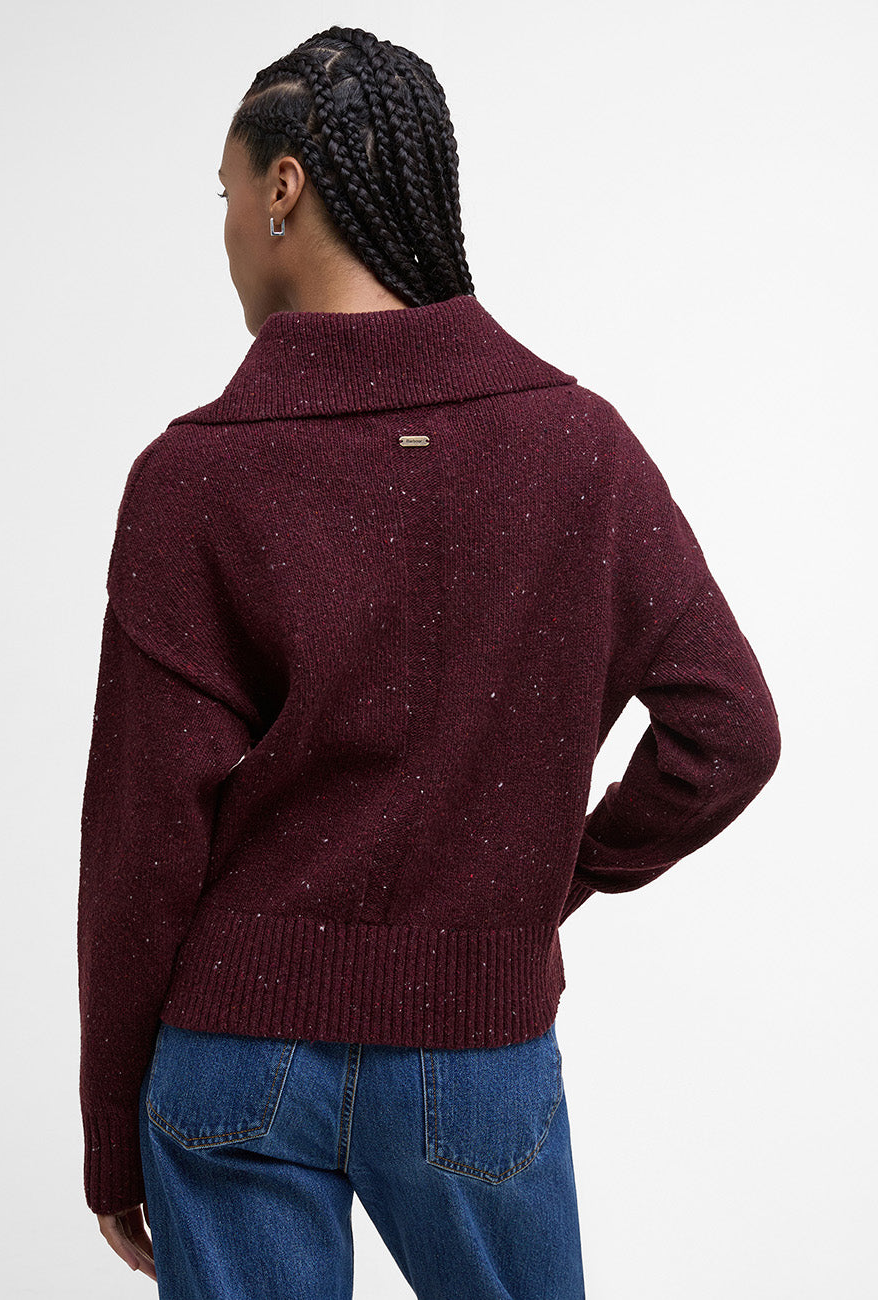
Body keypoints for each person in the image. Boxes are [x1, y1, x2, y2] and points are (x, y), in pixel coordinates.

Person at [77, 25, 782, 1299]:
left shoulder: (190, 475)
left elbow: (142, 840)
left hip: (234, 1050)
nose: (224, 228)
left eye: (225, 190)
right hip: (475, 1046)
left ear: (283, 186)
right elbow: (728, 732)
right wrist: (544, 884)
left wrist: (108, 1129)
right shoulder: (580, 446)